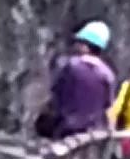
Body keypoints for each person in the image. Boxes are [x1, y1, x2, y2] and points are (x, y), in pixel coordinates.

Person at [38, 19, 116, 149]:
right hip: (92, 135)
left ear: (85, 45)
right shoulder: (107, 74)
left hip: (65, 129)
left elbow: (56, 95)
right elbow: (108, 106)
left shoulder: (70, 66)